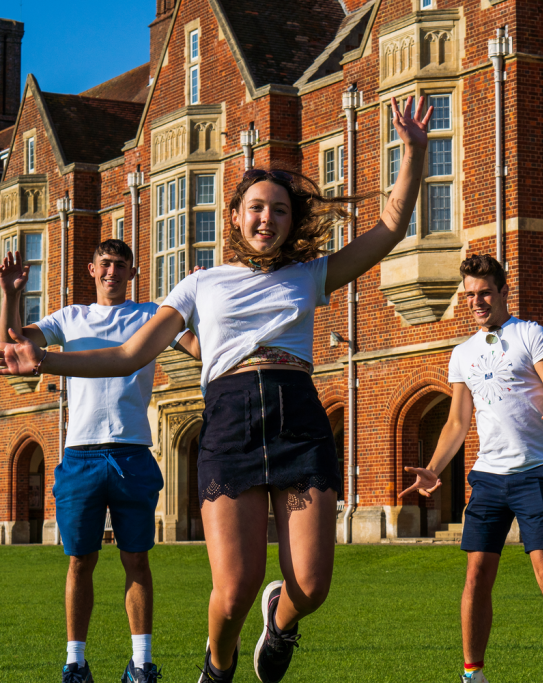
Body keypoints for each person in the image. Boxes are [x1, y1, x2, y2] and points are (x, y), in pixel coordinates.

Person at [0, 96, 432, 683]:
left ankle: (279, 621)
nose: (267, 219)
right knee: (232, 592)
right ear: (234, 216)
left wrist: (412, 152)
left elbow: (389, 230)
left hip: (297, 417)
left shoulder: (309, 275)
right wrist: (44, 356)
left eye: (279, 211)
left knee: (311, 584)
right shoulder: (200, 283)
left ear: (290, 220)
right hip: (229, 421)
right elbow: (131, 353)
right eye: (256, 208)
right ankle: (218, 667)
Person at [0, 240, 200, 683]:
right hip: (81, 455)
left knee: (137, 560)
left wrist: (198, 300)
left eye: (121, 265)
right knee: (79, 562)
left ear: (132, 273)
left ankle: (142, 664)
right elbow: (12, 346)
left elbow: (200, 349)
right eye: (105, 264)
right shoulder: (70, 317)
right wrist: (11, 295)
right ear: (91, 269)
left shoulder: (151, 314)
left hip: (132, 451)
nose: (112, 271)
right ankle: (75, 663)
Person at [399, 254, 543, 683]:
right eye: (470, 295)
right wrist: (434, 469)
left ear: (503, 291)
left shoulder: (531, 335)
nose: (477, 301)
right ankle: (472, 675)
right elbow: (457, 422)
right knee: (477, 574)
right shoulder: (462, 353)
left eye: (485, 293)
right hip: (486, 479)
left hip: (534, 472)